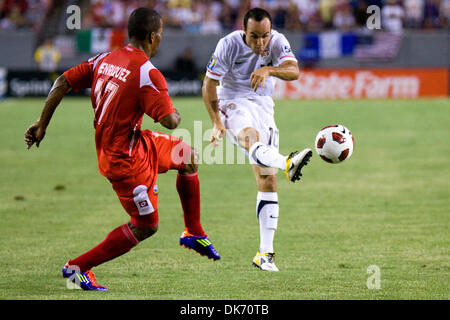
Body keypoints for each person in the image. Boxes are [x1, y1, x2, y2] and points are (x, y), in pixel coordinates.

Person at [24, 8, 220, 291]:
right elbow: (170, 121)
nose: (161, 39)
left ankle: (194, 232)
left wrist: (42, 124)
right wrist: (174, 111)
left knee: (187, 156)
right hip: (125, 162)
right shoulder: (147, 72)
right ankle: (77, 268)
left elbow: (62, 82)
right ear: (153, 36)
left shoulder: (105, 58)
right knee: (145, 226)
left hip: (133, 142)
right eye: (161, 34)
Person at [202, 7, 312, 272]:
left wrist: (269, 70)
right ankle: (288, 162)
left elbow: (294, 71)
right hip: (233, 103)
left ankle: (265, 255)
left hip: (264, 105)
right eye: (254, 36)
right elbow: (208, 85)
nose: (260, 43)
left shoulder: (276, 40)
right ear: (244, 32)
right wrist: (216, 121)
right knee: (252, 139)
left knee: (267, 179)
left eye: (264, 35)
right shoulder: (227, 45)